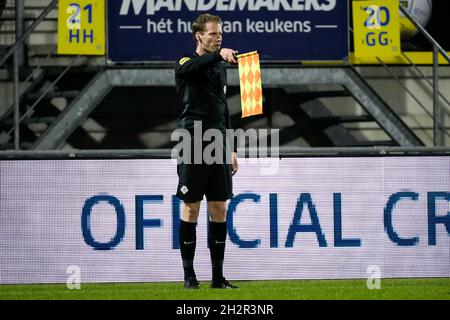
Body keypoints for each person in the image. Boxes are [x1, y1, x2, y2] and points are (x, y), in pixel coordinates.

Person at [174, 13, 239, 289]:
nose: (218, 37)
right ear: (198, 36)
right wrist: (219, 55)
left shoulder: (219, 68)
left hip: (219, 141)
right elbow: (193, 67)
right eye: (212, 33)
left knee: (219, 207)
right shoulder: (186, 63)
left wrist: (231, 147)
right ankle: (189, 276)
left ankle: (218, 277)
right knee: (191, 208)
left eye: (220, 33)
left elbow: (223, 109)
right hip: (192, 139)